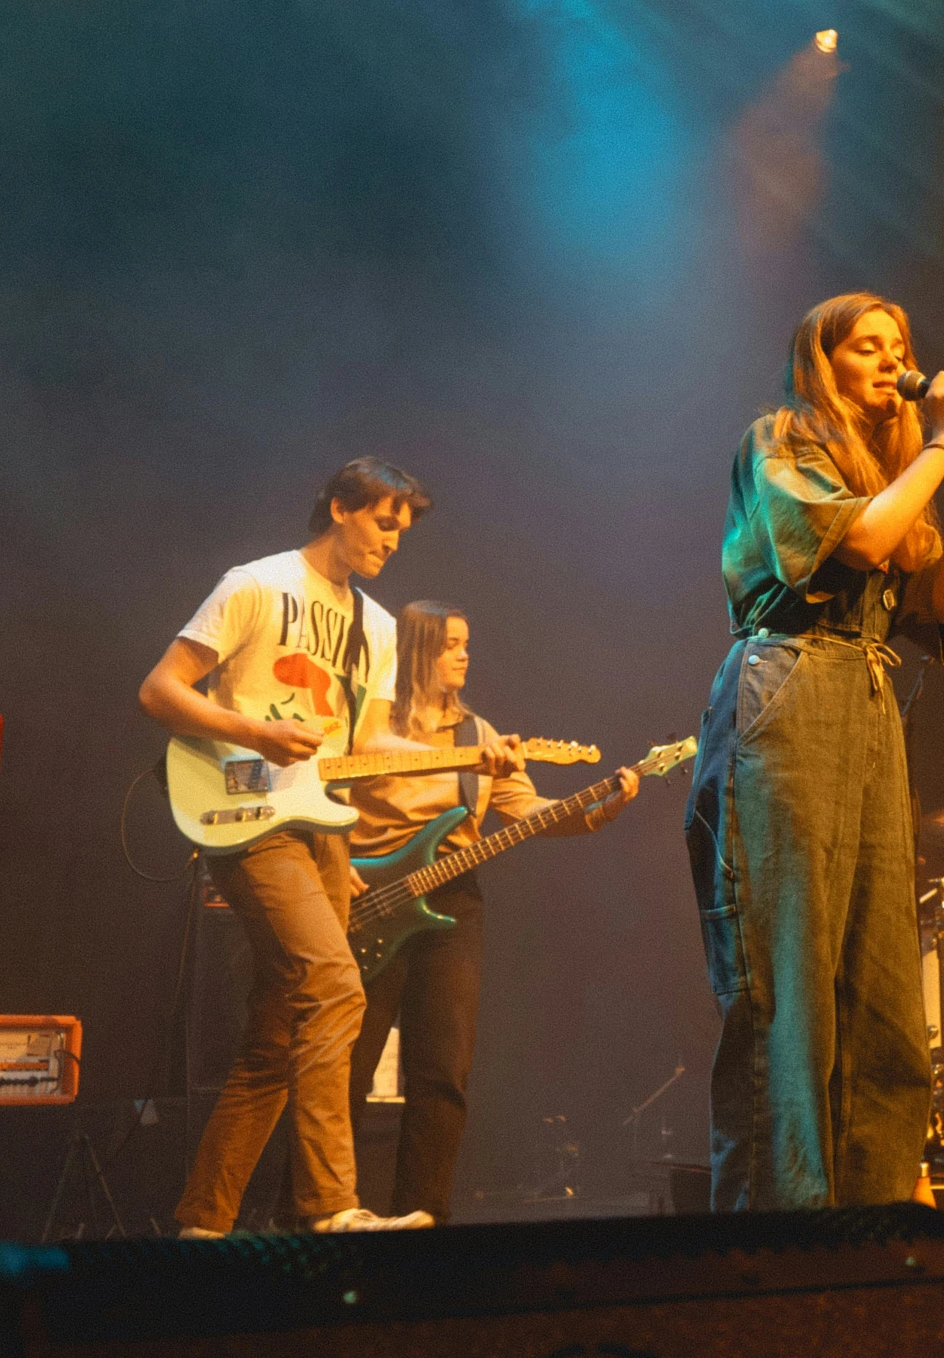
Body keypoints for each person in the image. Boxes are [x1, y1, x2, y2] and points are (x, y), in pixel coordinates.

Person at [685, 292, 944, 1210]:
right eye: (865, 346)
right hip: (786, 687)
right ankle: (773, 1240)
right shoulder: (778, 439)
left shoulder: (895, 467)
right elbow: (863, 539)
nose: (889, 359)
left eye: (898, 345)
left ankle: (874, 1237)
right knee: (788, 991)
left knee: (881, 1002)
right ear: (821, 361)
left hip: (866, 703)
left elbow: (943, 605)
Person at [139, 457, 509, 1237]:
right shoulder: (256, 584)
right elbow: (160, 690)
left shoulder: (376, 625)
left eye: (401, 531)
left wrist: (459, 756)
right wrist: (256, 731)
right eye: (382, 522)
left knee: (275, 1038)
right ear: (339, 508)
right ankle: (329, 1206)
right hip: (250, 819)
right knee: (338, 986)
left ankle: (201, 1223)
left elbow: (364, 741)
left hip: (324, 828)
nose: (392, 543)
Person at [341, 600, 639, 1224]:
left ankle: (423, 1218)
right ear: (418, 649)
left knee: (443, 1068)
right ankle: (317, 1212)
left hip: (452, 905)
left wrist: (600, 807)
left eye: (467, 642)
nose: (464, 653)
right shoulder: (363, 722)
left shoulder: (481, 734)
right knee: (345, 1068)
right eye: (451, 643)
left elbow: (526, 812)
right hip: (367, 900)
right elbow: (322, 792)